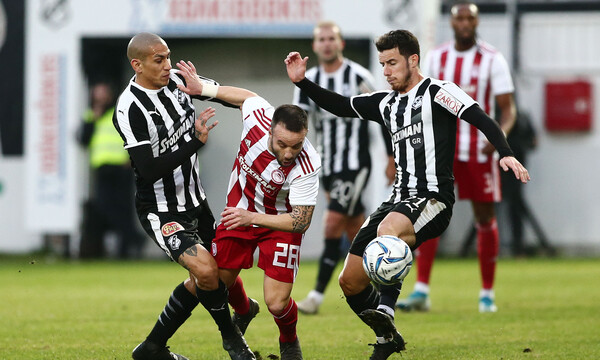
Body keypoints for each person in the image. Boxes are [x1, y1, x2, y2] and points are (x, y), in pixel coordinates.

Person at [285, 29, 529, 359]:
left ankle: (386, 309)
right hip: (396, 201)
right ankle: (388, 339)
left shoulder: (439, 92)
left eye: (392, 63)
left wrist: (506, 151)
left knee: (388, 231)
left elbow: (480, 117)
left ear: (413, 60)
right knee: (350, 282)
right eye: (383, 64)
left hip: (433, 199)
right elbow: (341, 106)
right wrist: (302, 83)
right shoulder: (385, 103)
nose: (386, 71)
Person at [113, 33, 255, 360]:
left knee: (216, 274)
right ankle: (231, 337)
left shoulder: (179, 81)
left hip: (196, 202)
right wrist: (195, 143)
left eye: (168, 57)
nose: (167, 65)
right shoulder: (129, 107)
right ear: (137, 64)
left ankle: (151, 348)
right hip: (161, 210)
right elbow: (147, 170)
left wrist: (257, 106)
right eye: (158, 60)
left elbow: (231, 96)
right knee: (205, 273)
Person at [175, 59, 321, 360]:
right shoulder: (258, 117)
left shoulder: (308, 164)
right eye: (282, 144)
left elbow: (301, 221)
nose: (289, 152)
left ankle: (289, 342)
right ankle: (244, 308)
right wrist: (203, 88)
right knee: (214, 286)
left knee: (278, 303)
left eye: (296, 145)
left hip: (280, 223)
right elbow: (245, 96)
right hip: (238, 213)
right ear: (270, 130)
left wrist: (253, 217)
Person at [396, 1, 517, 313]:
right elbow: (418, 98)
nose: (464, 23)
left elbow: (508, 109)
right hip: (442, 153)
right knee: (429, 215)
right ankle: (422, 290)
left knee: (485, 217)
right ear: (451, 23)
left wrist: (498, 137)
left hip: (479, 153)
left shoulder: (493, 59)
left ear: (476, 23)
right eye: (459, 18)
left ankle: (487, 294)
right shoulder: (438, 57)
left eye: (470, 18)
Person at [292, 21, 395, 315]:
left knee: (332, 222)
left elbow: (383, 115)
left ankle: (316, 295)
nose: (326, 43)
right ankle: (377, 290)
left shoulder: (358, 75)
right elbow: (299, 123)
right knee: (354, 227)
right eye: (321, 39)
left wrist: (390, 157)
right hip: (327, 167)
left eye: (331, 38)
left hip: (355, 165)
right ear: (315, 46)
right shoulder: (307, 79)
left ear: (341, 44)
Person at [77, 82, 145, 259]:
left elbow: (133, 137)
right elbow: (83, 140)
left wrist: (131, 159)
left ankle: (126, 250)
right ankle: (134, 238)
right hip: (102, 168)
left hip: (121, 169)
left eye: (103, 94)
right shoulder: (91, 115)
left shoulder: (119, 112)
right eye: (97, 94)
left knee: (124, 209)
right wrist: (93, 119)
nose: (100, 98)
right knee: (105, 207)